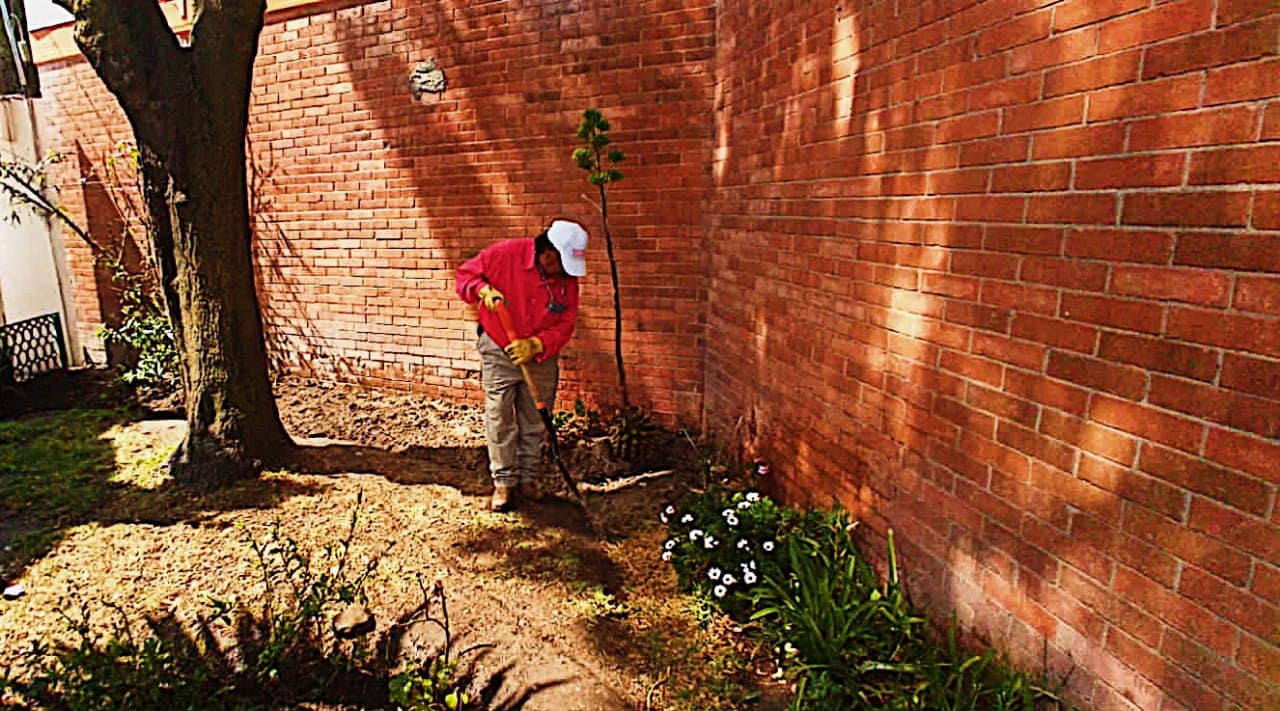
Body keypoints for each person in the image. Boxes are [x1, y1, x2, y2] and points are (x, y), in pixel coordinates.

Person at [455, 219, 588, 512]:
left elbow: (566, 324)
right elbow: (464, 276)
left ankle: (528, 478)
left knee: (534, 418)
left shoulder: (567, 281)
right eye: (561, 266)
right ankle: (504, 482)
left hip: (539, 356)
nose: (566, 274)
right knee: (500, 415)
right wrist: (482, 290)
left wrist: (537, 344)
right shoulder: (505, 254)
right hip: (499, 349)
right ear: (548, 253)